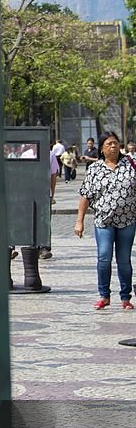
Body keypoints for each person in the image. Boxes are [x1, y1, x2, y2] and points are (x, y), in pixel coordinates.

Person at [74, 131, 136, 311]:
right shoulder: (95, 169)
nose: (113, 146)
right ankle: (104, 296)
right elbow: (85, 196)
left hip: (127, 221)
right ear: (102, 148)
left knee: (124, 260)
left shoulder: (130, 164)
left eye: (116, 143)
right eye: (109, 144)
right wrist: (80, 221)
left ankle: (125, 298)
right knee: (104, 257)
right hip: (103, 221)